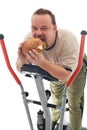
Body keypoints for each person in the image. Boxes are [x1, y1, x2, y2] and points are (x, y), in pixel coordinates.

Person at [16, 8, 87, 130]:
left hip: (75, 70)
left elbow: (65, 76)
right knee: (56, 102)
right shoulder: (30, 39)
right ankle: (52, 125)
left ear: (54, 28)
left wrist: (42, 62)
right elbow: (18, 67)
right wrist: (22, 60)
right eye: (34, 28)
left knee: (73, 103)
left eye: (44, 28)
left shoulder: (67, 40)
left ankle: (76, 128)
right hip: (52, 70)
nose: (38, 33)